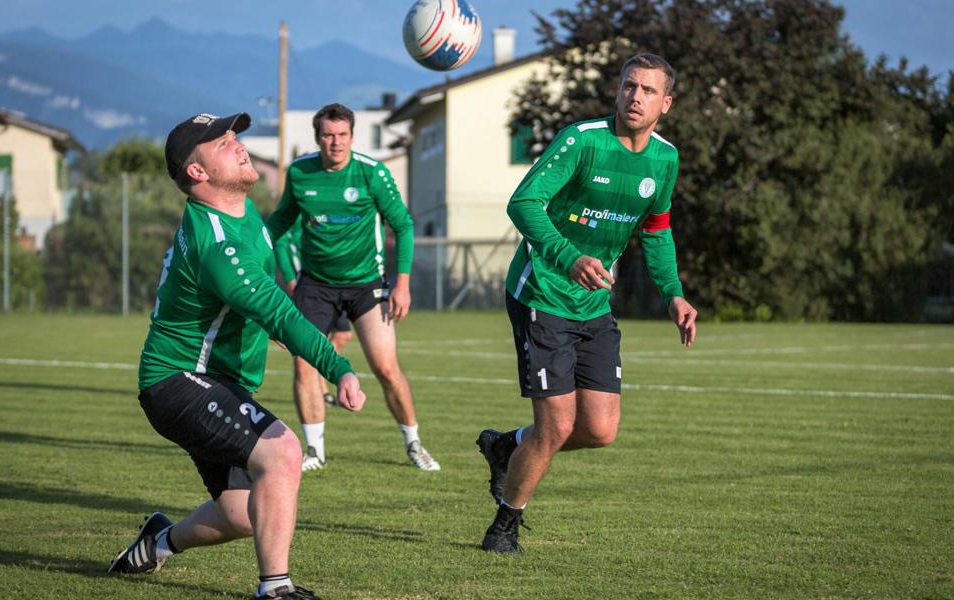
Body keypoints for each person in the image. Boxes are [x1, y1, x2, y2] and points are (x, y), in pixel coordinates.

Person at [108, 112, 366, 599]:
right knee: (284, 452)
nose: (240, 145)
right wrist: (339, 368)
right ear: (197, 173)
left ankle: (158, 543)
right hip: (177, 380)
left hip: (215, 379)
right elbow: (282, 317)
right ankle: (276, 588)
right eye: (224, 143)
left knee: (241, 513)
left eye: (235, 136)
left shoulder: (241, 211)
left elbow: (260, 301)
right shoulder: (218, 247)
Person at [476, 54, 698, 554]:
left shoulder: (664, 159)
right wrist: (570, 257)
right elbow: (524, 203)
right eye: (628, 86)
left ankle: (507, 445)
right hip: (543, 293)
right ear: (618, 91)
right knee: (555, 425)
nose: (635, 97)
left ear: (666, 103)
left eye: (647, 90)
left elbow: (657, 229)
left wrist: (674, 293)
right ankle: (505, 525)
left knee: (599, 430)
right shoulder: (583, 139)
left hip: (593, 305)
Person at [266, 103, 439, 471]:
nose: (336, 143)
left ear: (352, 137)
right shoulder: (300, 174)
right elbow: (278, 226)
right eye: (328, 135)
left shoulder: (371, 173)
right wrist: (253, 261)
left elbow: (403, 225)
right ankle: (315, 452)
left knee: (386, 368)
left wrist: (402, 284)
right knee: (304, 364)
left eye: (342, 135)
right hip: (315, 285)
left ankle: (414, 443)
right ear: (318, 138)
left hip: (367, 284)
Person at [274, 216, 355, 469]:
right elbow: (278, 241)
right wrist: (289, 276)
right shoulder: (294, 214)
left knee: (342, 335)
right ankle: (315, 451)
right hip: (309, 288)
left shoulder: (330, 213)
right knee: (304, 358)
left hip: (336, 285)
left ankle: (325, 381)